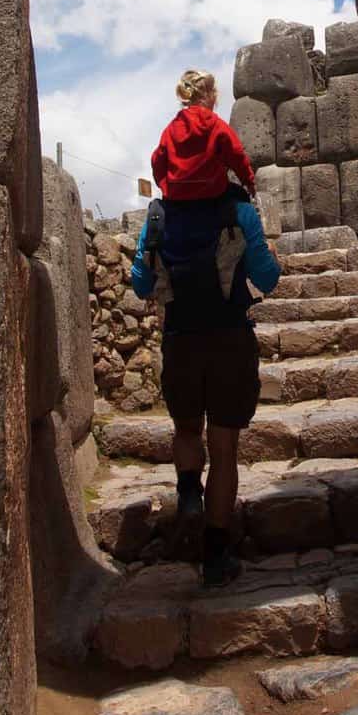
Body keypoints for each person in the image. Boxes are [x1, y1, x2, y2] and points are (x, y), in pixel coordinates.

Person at [131, 87, 279, 588]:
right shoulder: (237, 211)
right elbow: (269, 278)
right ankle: (217, 555)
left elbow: (139, 284)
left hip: (180, 340)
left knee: (188, 431)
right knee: (226, 447)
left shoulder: (156, 216)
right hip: (230, 340)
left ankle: (188, 491)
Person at [152, 69, 256, 200]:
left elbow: (157, 162)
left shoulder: (171, 129)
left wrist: (166, 188)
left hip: (177, 198)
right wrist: (249, 181)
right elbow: (237, 155)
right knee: (246, 210)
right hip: (213, 195)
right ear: (210, 95)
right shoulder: (218, 126)